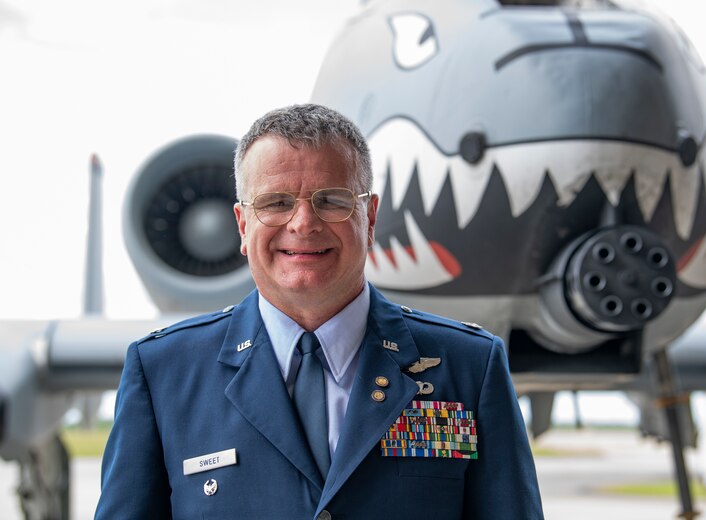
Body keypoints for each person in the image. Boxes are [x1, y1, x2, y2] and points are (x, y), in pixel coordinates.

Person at [95, 104, 543, 519]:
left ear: (368, 218)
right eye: (275, 203)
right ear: (241, 223)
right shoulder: (163, 374)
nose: (304, 223)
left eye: (331, 200)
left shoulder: (469, 368)